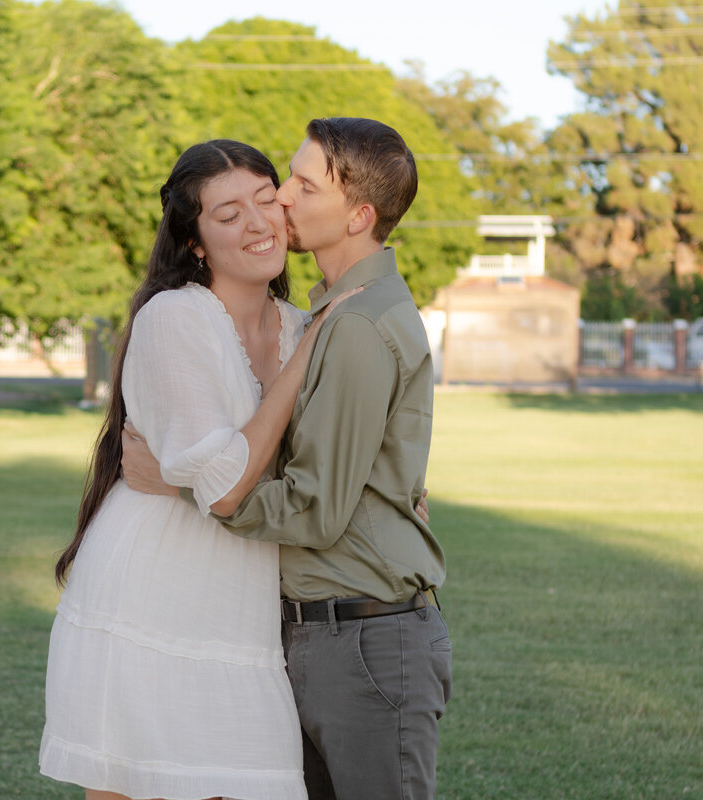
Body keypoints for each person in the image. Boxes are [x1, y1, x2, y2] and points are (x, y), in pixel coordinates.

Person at [122, 118, 452, 800]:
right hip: (329, 632)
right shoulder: (332, 315)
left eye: (303, 185)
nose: (283, 199)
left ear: (358, 216)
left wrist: (181, 485)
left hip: (362, 636)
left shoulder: (355, 324)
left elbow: (313, 509)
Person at [39, 139, 361, 800]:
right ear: (195, 243)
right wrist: (303, 362)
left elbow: (316, 473)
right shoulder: (175, 319)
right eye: (228, 214)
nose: (257, 223)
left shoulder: (305, 324)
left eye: (266, 200)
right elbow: (225, 484)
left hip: (244, 608)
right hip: (150, 596)